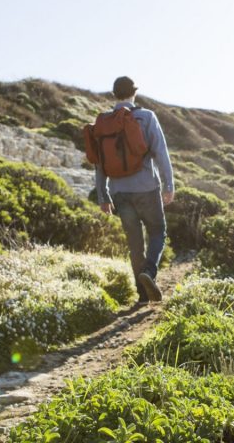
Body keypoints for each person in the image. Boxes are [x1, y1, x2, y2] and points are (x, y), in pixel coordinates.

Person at [95, 76, 175, 305]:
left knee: (134, 244)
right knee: (158, 231)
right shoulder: (146, 116)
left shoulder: (103, 122)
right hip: (147, 188)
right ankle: (149, 272)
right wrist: (169, 185)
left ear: (114, 95)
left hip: (119, 191)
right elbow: (161, 153)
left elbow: (99, 163)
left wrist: (103, 196)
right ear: (134, 93)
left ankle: (141, 296)